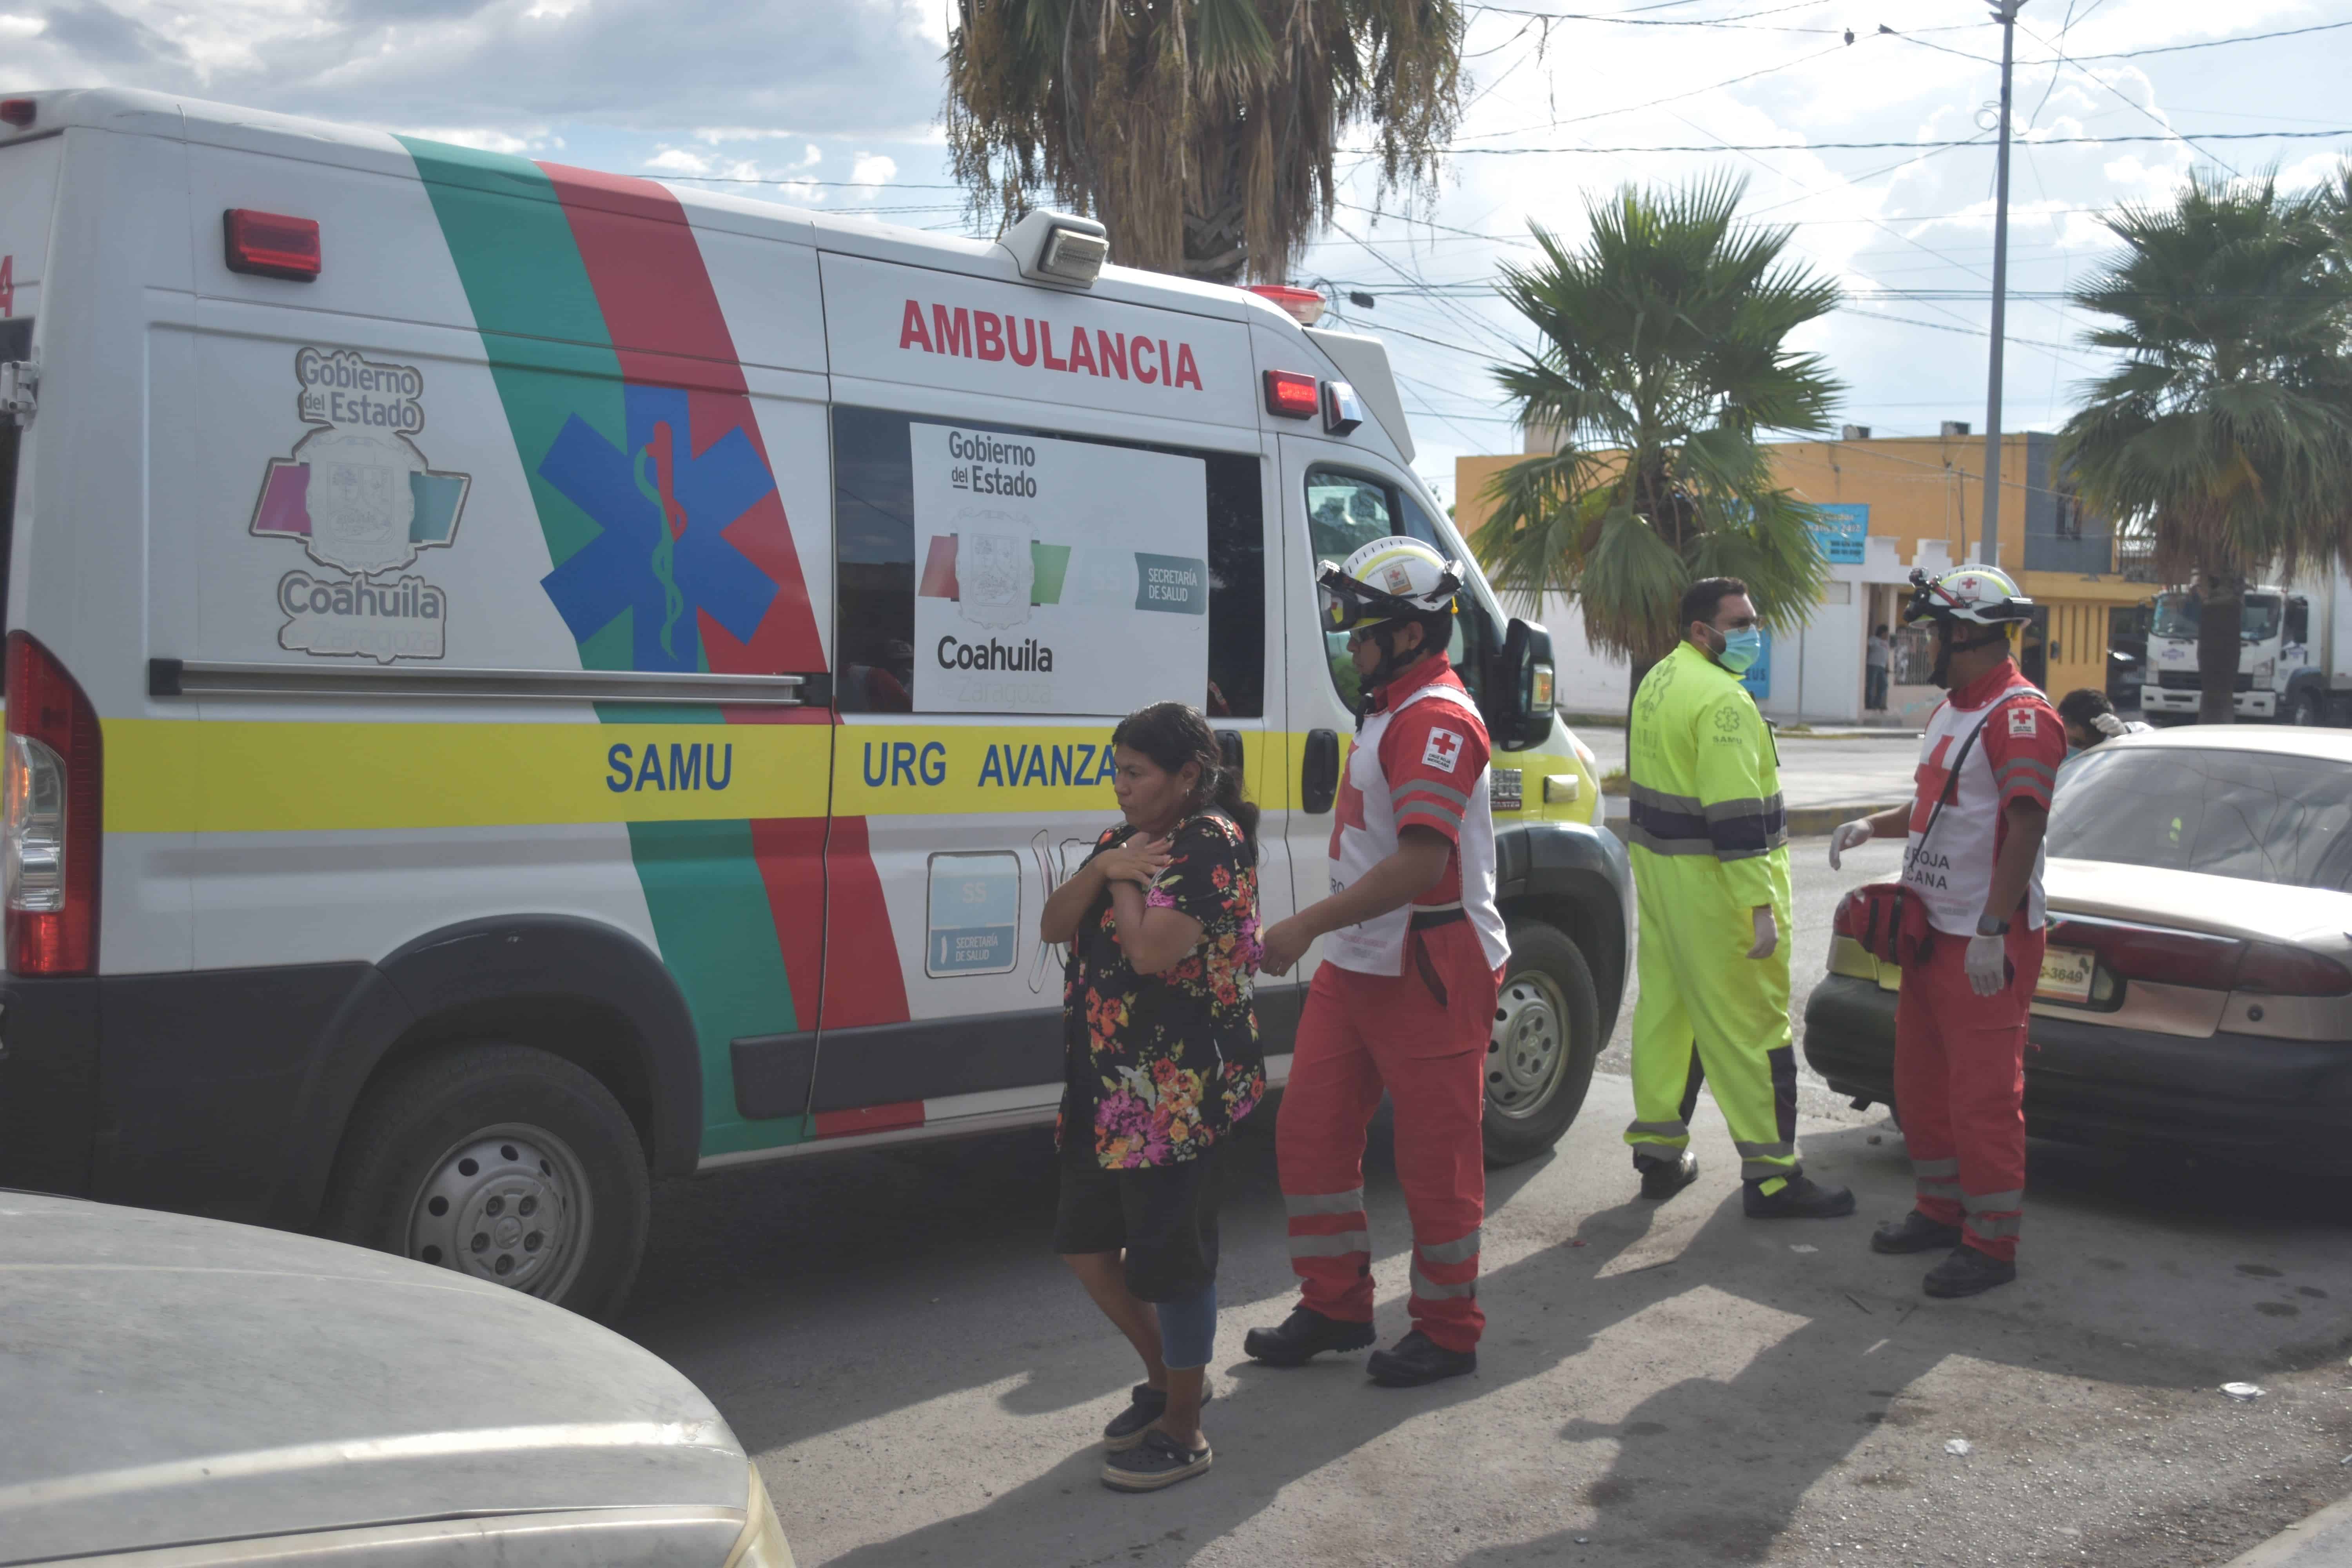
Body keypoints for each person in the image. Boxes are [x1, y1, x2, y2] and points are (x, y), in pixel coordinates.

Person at [1244, 536, 1508, 1388]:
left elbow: (1421, 864)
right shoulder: (1392, 703)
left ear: (1407, 633)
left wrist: (1302, 925)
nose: (1349, 644)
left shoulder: (1434, 716)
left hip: (1432, 962)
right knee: (1311, 1132)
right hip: (1364, 960)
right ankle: (1336, 1304)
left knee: (1437, 1161)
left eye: (1361, 630)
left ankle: (1447, 1327)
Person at [1040, 701, 1265, 1492]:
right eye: (1117, 769)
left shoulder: (1212, 847)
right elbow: (1053, 922)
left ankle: (1184, 1430)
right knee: (1086, 1246)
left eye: (1135, 771)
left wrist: (1127, 884)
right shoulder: (1120, 844)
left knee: (1173, 1262)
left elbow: (1144, 952)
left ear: (1187, 777)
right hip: (1106, 1088)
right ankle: (1173, 1377)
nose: (1121, 785)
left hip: (1179, 1094)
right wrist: (1105, 869)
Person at [1828, 565, 2064, 1299]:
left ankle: (1992, 1245)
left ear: (1967, 633)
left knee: (1984, 1098)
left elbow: (2026, 821)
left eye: (1934, 630)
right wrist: (1874, 823)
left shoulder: (2020, 715)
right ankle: (1939, 1211)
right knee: (1921, 1085)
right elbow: (1938, 805)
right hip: (1931, 935)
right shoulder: (1954, 710)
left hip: (1982, 942)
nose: (1925, 642)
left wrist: (1994, 928)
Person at [1622, 577, 1855, 1219]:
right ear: (1703, 631)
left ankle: (1659, 1155)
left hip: (1668, 889)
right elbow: (1736, 817)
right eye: (1742, 621)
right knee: (1753, 1028)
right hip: (1719, 897)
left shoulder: (1661, 682)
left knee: (1668, 1019)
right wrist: (1759, 907)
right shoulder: (1723, 701)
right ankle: (1775, 1178)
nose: (1754, 632)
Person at [2056, 687, 2150, 753]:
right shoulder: (2045, 740)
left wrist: (2124, 736)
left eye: (2090, 747)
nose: (2082, 752)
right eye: (2076, 742)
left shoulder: (2115, 737)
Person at [1866, 625, 1893, 712]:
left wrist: (1888, 667)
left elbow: (1887, 656)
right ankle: (1869, 704)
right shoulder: (1873, 639)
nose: (1887, 635)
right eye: (1886, 633)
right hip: (1873, 665)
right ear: (1882, 632)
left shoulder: (1886, 643)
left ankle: (1878, 704)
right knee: (1871, 685)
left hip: (1882, 667)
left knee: (1884, 685)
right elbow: (1867, 648)